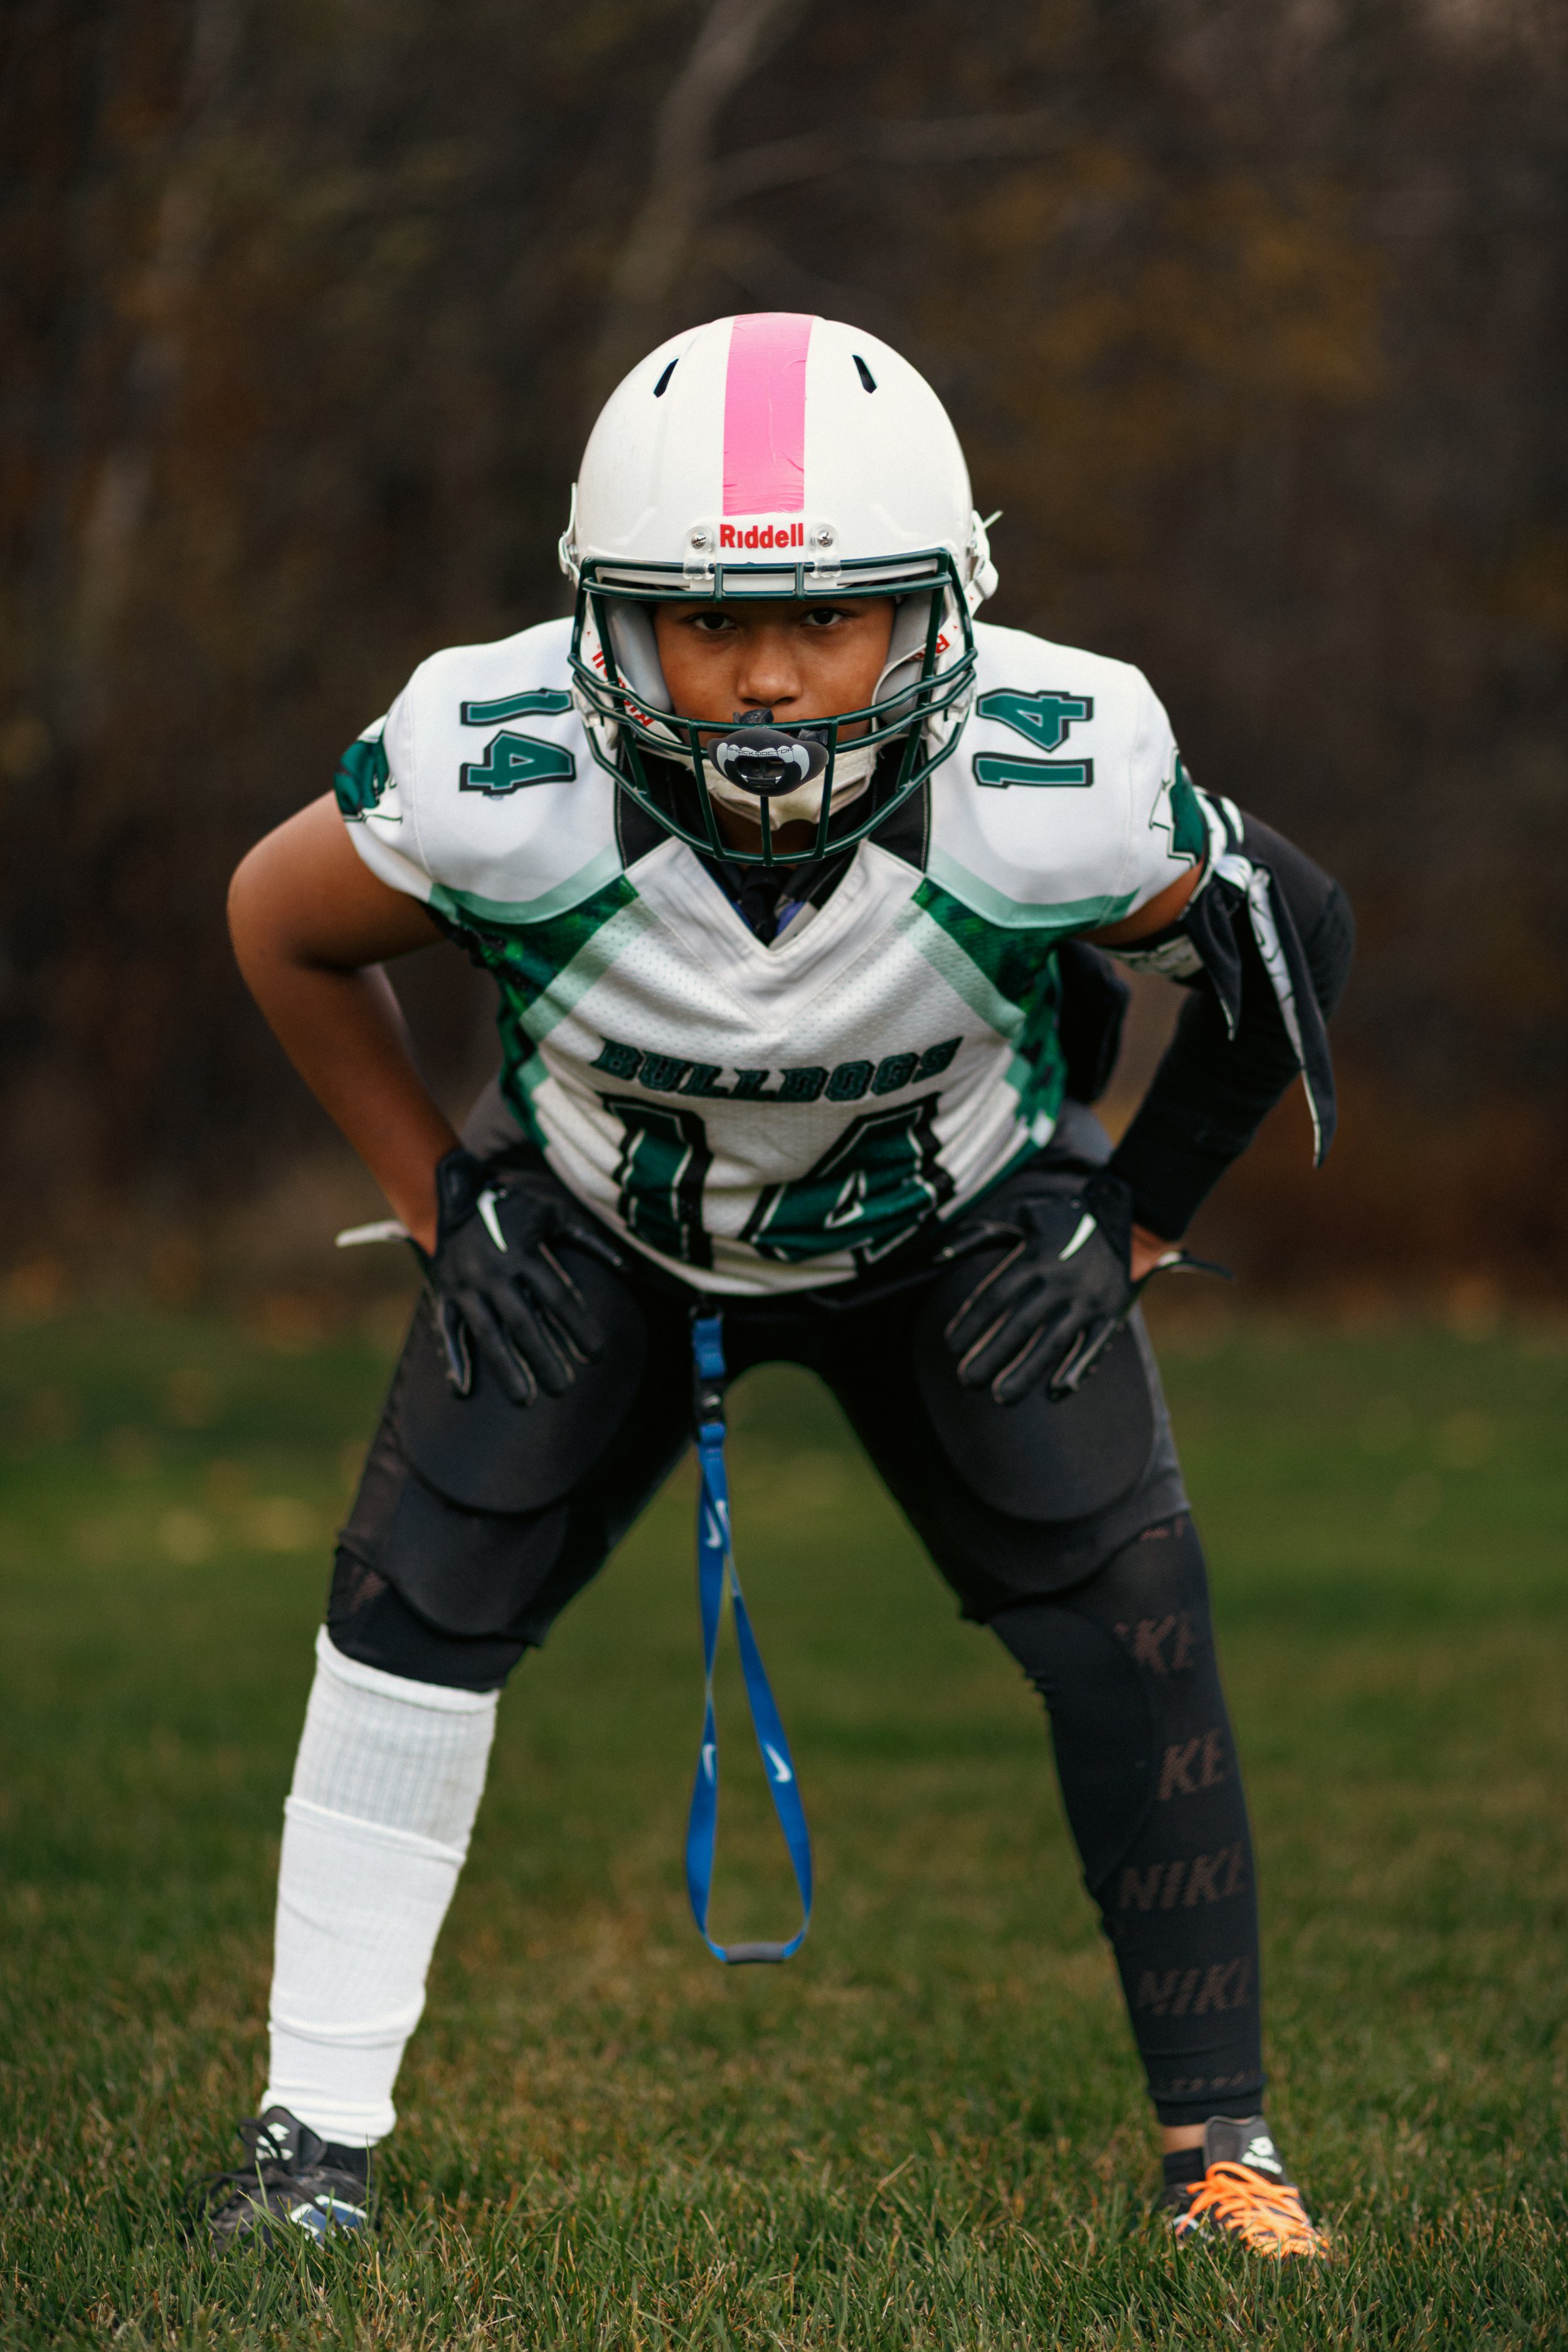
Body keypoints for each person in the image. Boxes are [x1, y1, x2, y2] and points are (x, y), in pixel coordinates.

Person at [199, 313, 1352, 2259]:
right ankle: (308, 2143)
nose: (761, 678)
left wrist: (1131, 1221)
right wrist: (429, 1195)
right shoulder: (498, 767)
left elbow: (1283, 936)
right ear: (602, 622)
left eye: (828, 617)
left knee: (1132, 1618)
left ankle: (1221, 2153)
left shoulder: (1053, 772)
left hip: (957, 1227)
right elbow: (278, 921)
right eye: (701, 624)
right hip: (594, 1221)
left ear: (941, 611)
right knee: (407, 1610)